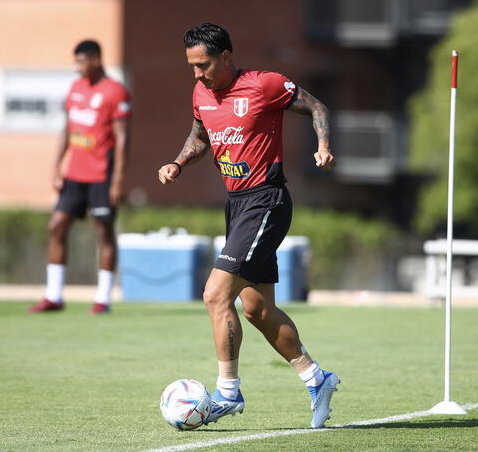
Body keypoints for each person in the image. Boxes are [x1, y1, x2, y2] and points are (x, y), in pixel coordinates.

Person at [158, 23, 339, 428]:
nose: (197, 73)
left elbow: (317, 107)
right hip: (237, 205)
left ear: (226, 56)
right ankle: (317, 378)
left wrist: (323, 146)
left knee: (214, 294)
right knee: (257, 310)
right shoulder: (201, 91)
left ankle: (227, 393)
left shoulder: (265, 85)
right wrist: (179, 162)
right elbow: (200, 134)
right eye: (191, 66)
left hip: (267, 200)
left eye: (203, 64)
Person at [29, 40, 131, 315]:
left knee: (103, 233)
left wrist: (118, 180)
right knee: (56, 226)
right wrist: (56, 168)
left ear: (96, 59)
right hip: (74, 174)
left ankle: (103, 299)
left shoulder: (116, 92)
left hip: (102, 176)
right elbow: (67, 130)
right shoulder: (74, 89)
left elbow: (122, 140)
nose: (76, 68)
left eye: (81, 61)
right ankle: (53, 296)